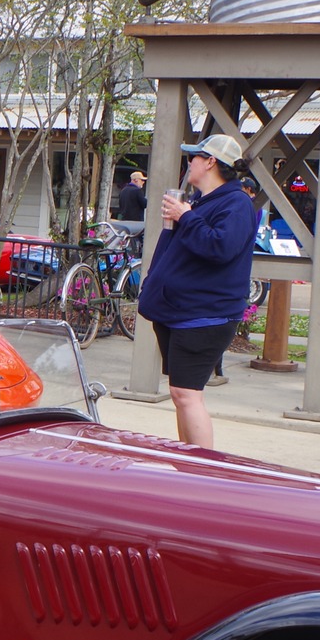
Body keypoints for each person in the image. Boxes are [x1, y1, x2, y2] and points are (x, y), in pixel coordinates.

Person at [137, 133, 259, 450]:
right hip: (179, 311)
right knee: (181, 393)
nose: (189, 162)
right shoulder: (203, 201)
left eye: (194, 157)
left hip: (205, 315)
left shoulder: (237, 203)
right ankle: (188, 461)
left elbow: (221, 247)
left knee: (188, 394)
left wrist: (187, 217)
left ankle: (204, 467)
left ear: (210, 162)